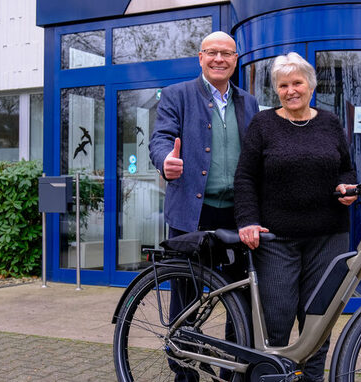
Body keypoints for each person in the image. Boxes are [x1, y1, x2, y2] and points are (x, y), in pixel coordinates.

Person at [234, 52, 357, 382]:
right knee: (276, 319)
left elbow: (346, 167)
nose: (291, 90)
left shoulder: (330, 123)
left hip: (329, 236)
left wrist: (348, 187)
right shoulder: (263, 124)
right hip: (276, 238)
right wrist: (246, 220)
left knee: (319, 321)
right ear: (277, 89)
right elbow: (245, 176)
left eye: (297, 83)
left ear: (311, 85)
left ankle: (310, 379)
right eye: (283, 85)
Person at [148, 31, 259, 382]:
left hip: (238, 215)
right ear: (200, 57)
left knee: (239, 297)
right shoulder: (177, 95)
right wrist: (166, 160)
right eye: (212, 53)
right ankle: (186, 375)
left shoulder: (249, 102)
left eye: (227, 53)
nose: (219, 59)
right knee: (187, 301)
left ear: (236, 60)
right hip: (192, 217)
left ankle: (232, 372)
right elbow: (161, 138)